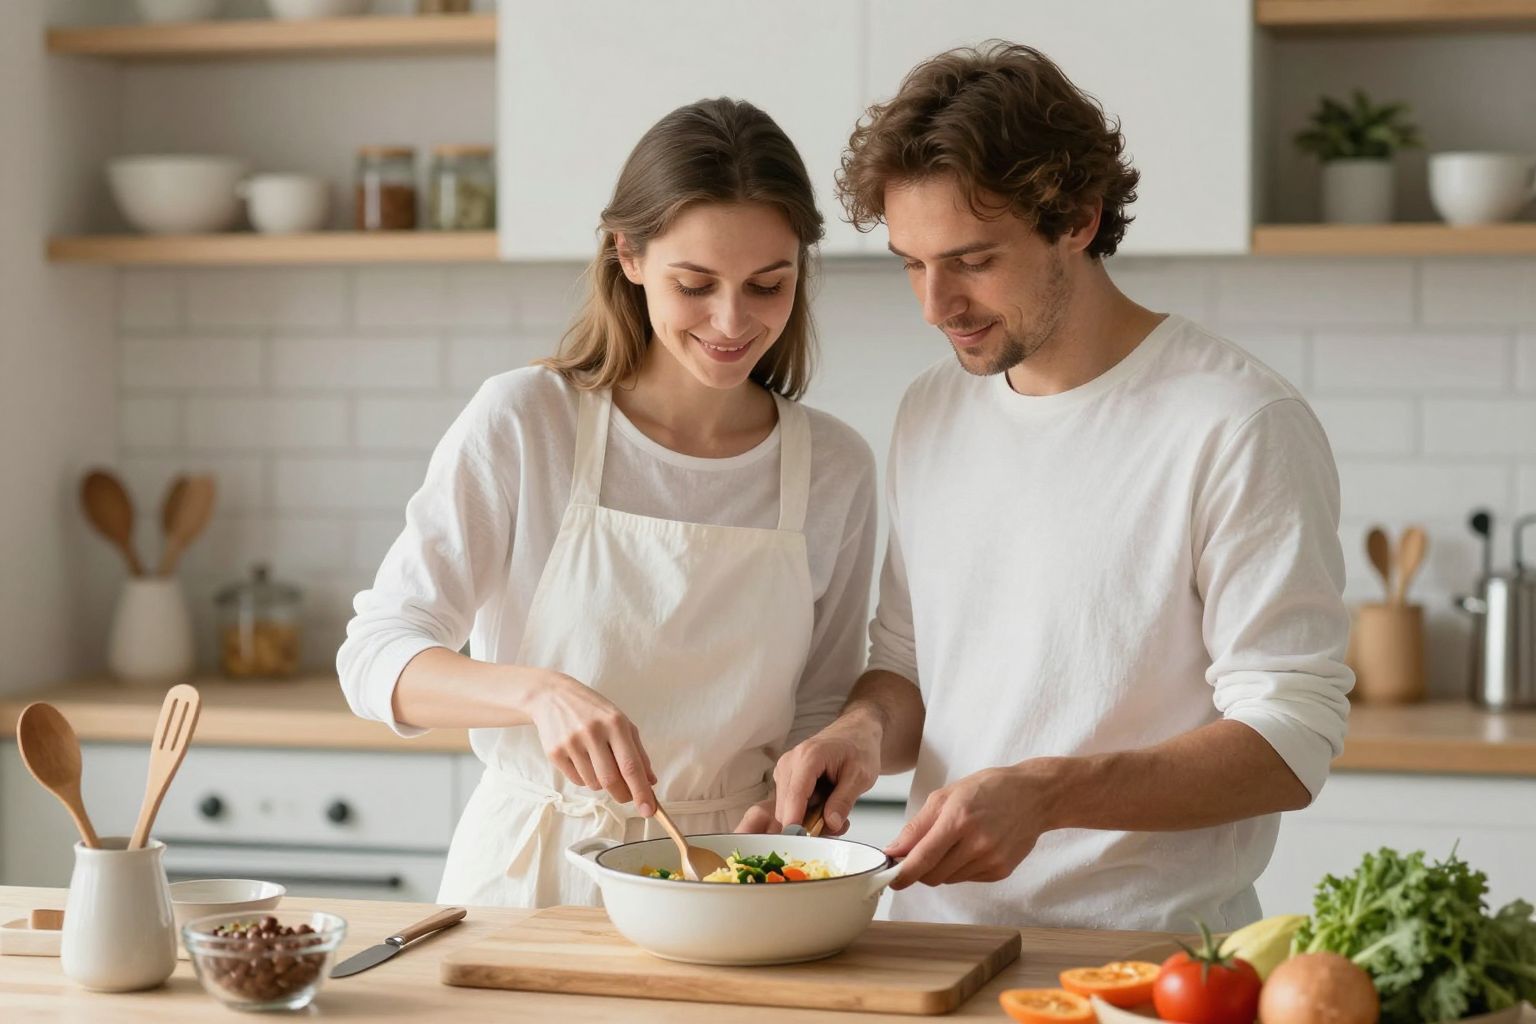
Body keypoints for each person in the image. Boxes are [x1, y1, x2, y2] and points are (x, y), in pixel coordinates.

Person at [750, 42, 1354, 932]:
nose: (935, 304)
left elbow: (1290, 742)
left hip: (1146, 965)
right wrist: (862, 735)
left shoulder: (1235, 421)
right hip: (930, 952)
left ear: (1077, 216)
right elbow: (908, 661)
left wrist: (1049, 793)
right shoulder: (933, 410)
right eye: (911, 262)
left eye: (972, 260)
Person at [338, 97, 877, 908]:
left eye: (769, 285)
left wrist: (805, 791)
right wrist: (536, 692)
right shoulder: (528, 421)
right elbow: (374, 655)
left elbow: (823, 705)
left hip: (727, 883)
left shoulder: (834, 466)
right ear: (627, 255)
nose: (733, 322)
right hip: (530, 880)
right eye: (695, 284)